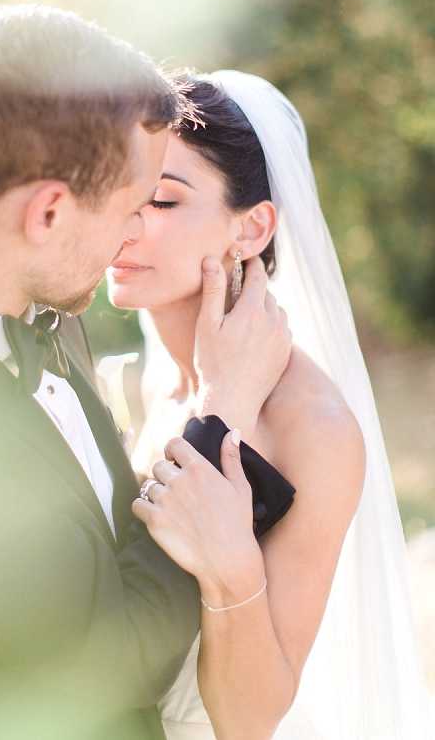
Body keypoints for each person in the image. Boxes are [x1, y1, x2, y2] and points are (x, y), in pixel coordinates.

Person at [0, 9, 293, 740]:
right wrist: (223, 409)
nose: (131, 235)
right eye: (131, 206)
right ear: (48, 211)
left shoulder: (44, 313)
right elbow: (115, 654)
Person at [107, 72, 432, 739]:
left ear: (252, 228)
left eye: (163, 201)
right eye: (117, 192)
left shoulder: (312, 427)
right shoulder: (160, 377)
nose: (124, 225)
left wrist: (231, 574)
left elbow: (251, 717)